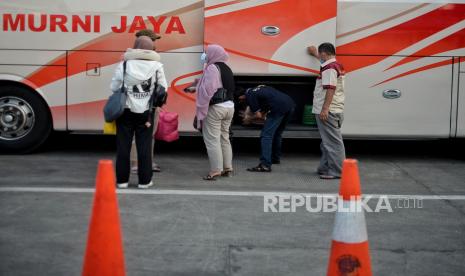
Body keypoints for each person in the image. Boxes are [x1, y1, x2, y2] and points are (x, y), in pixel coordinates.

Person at [111, 35, 167, 188]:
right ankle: (144, 181)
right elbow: (163, 89)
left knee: (123, 146)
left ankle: (122, 181)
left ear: (135, 47)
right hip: (146, 113)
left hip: (125, 111)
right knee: (144, 146)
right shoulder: (157, 66)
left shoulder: (124, 64)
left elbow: (114, 87)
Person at [193, 44, 235, 180]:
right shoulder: (227, 68)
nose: (205, 54)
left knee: (212, 140)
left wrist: (201, 106)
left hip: (216, 108)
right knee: (224, 137)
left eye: (207, 52)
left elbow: (208, 90)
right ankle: (228, 167)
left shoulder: (212, 67)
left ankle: (216, 170)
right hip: (229, 107)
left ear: (213, 54)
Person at [307, 42, 346, 179]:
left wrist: (325, 109)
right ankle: (324, 168)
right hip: (336, 108)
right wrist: (315, 55)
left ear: (324, 53)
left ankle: (337, 171)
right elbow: (325, 63)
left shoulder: (329, 68)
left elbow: (330, 88)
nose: (320, 57)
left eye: (320, 54)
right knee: (327, 142)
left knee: (332, 143)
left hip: (328, 111)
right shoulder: (335, 65)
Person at [237, 85, 295, 172]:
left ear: (241, 96)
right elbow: (264, 111)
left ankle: (265, 165)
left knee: (266, 135)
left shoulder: (250, 96)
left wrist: (248, 119)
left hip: (278, 108)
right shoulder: (259, 88)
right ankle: (275, 158)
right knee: (277, 133)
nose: (241, 102)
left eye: (240, 100)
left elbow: (259, 116)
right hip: (290, 104)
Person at [130, 29, 163, 173]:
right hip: (143, 104)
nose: (155, 44)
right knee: (141, 135)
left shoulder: (130, 60)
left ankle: (146, 162)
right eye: (153, 40)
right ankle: (137, 163)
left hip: (145, 103)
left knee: (148, 135)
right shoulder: (141, 61)